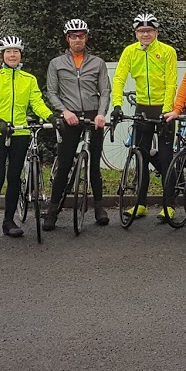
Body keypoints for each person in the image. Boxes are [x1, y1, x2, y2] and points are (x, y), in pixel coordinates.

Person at [0, 35, 54, 243]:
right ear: (3, 55)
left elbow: (37, 103)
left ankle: (9, 222)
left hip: (20, 133)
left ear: (20, 55)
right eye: (8, 52)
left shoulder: (28, 80)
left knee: (14, 179)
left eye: (16, 51)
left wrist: (49, 116)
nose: (12, 55)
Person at [44, 18, 112, 231]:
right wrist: (64, 112)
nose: (77, 40)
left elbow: (105, 91)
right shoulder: (56, 63)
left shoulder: (98, 63)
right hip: (70, 117)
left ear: (86, 38)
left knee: (94, 167)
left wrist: (101, 114)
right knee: (64, 165)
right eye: (74, 36)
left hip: (93, 116)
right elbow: (52, 92)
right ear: (67, 39)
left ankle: (99, 207)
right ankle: (53, 210)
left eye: (81, 36)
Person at [111, 13, 178, 221]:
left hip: (164, 108)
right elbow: (119, 78)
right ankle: (139, 204)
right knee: (140, 156)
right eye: (141, 31)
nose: (145, 34)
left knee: (167, 157)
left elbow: (171, 82)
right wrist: (116, 105)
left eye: (149, 31)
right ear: (136, 33)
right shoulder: (130, 52)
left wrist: (167, 110)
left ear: (156, 33)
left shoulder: (167, 51)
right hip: (142, 108)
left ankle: (169, 205)